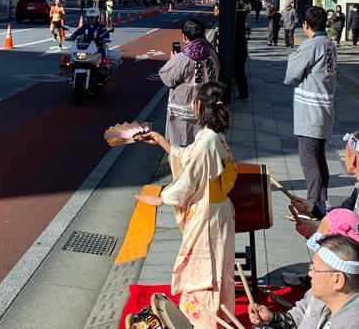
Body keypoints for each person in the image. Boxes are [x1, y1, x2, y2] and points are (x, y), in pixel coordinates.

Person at [134, 81, 237, 328]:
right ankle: (215, 319)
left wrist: (161, 198)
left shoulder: (207, 141)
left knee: (203, 271)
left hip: (209, 214)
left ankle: (204, 322)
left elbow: (190, 178)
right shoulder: (213, 138)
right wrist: (161, 140)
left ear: (199, 105)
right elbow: (187, 158)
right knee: (212, 267)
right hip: (217, 209)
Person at [284, 6, 337, 210]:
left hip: (311, 111)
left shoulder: (311, 45)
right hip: (325, 108)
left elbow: (292, 73)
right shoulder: (329, 44)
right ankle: (321, 198)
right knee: (318, 155)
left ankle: (314, 201)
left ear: (306, 25)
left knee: (308, 157)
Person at [249, 234, 359, 328]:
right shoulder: (318, 296)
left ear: (338, 280)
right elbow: (299, 317)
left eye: (314, 269)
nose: (309, 274)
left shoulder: (351, 323)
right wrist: (273, 318)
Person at [158, 19, 220, 146]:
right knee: (201, 144)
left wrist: (172, 60)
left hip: (184, 109)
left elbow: (167, 77)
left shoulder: (183, 58)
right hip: (206, 107)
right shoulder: (212, 53)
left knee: (182, 144)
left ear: (185, 36)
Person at [291, 131, 359, 239]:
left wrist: (317, 231)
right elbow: (341, 211)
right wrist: (313, 208)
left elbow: (352, 240)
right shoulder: (357, 190)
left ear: (353, 159)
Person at [233, 8, 249, 100]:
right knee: (240, 74)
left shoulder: (236, 30)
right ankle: (243, 92)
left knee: (239, 74)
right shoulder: (240, 29)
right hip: (241, 54)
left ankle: (243, 93)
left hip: (238, 55)